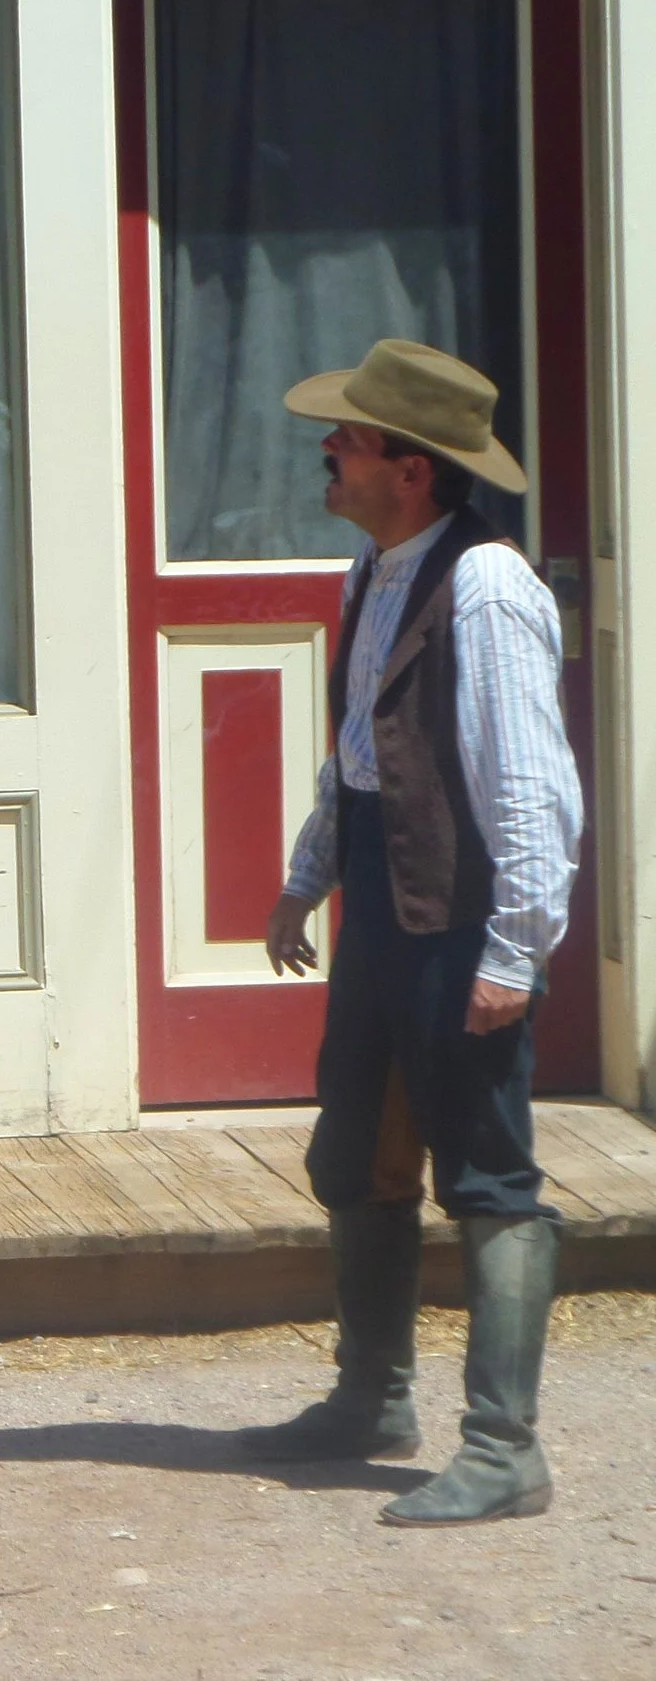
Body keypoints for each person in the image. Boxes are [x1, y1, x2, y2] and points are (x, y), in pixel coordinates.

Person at [251, 339, 582, 1526]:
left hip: (461, 918)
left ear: (410, 464)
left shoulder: (487, 585)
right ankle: (370, 1400)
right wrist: (307, 874)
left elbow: (529, 784)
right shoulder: (372, 569)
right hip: (384, 912)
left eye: (348, 434)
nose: (326, 447)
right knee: (357, 1153)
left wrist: (515, 949)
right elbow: (358, 753)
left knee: (488, 1171)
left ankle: (504, 1448)